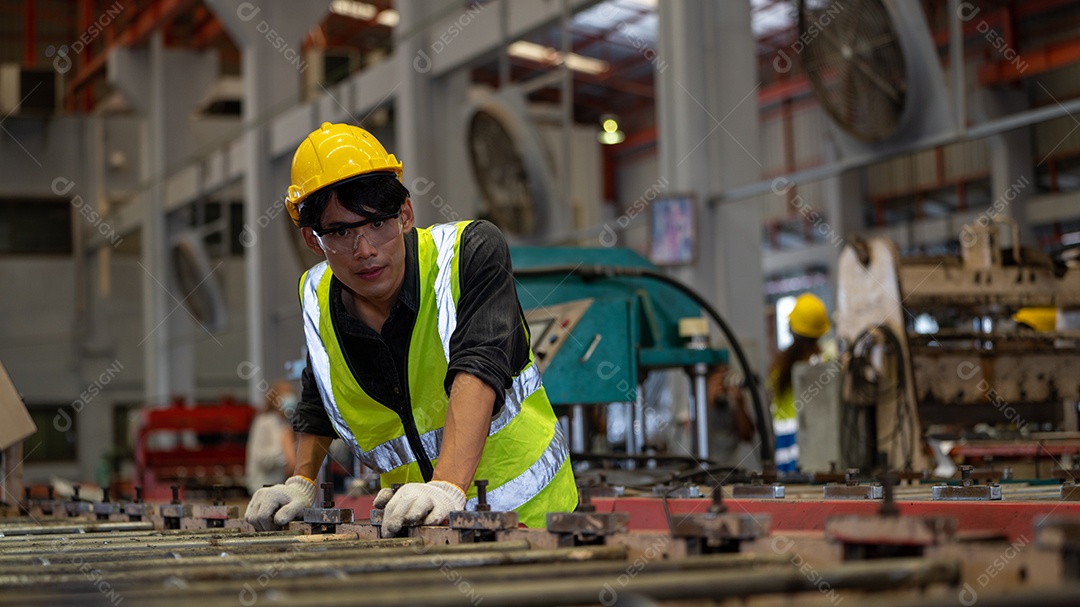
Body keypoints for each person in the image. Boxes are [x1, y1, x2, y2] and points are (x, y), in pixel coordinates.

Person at [244, 123, 577, 534]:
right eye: (342, 232)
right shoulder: (315, 294)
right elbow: (319, 398)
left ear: (405, 215)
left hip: (533, 523)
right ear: (314, 241)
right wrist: (302, 483)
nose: (364, 250)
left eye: (377, 224)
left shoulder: (469, 253)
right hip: (418, 528)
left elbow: (479, 367)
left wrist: (447, 488)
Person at [770, 293, 830, 473]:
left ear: (791, 328)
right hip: (816, 458)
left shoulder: (779, 369)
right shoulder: (825, 368)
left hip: (785, 457)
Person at [245, 380, 298, 494]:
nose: (290, 400)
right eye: (286, 395)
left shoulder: (286, 424)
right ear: (275, 400)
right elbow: (262, 458)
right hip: (262, 488)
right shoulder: (263, 422)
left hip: (280, 488)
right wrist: (285, 451)